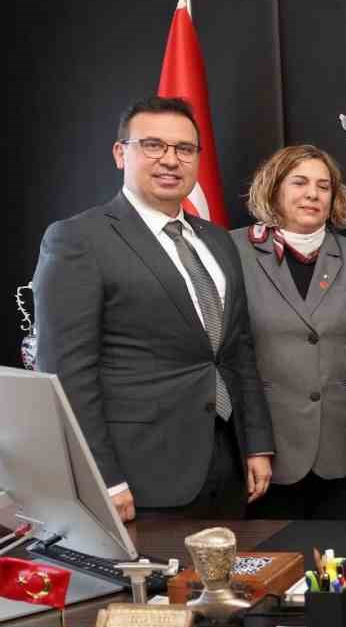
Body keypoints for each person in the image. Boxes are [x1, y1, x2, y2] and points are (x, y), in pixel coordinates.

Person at [32, 95, 273, 520]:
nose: (171, 160)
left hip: (227, 464)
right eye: (153, 145)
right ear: (120, 153)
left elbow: (237, 350)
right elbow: (66, 373)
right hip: (138, 477)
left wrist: (256, 443)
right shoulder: (78, 239)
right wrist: (101, 478)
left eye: (184, 149)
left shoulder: (218, 240)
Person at [230, 145, 346, 519]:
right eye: (299, 182)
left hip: (339, 450)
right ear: (274, 188)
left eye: (323, 186)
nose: (312, 194)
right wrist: (251, 445)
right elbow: (230, 355)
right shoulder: (234, 250)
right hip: (265, 451)